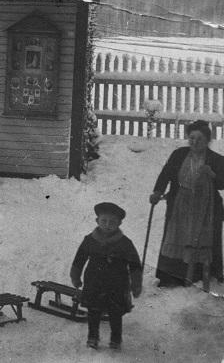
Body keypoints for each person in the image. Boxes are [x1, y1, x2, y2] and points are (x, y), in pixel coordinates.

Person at [149, 119, 224, 289]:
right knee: (177, 235)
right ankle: (170, 278)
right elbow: (166, 173)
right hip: (180, 204)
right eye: (191, 138)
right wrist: (157, 192)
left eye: (199, 139)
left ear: (208, 140)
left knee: (202, 240)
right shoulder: (179, 154)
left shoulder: (217, 160)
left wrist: (212, 174)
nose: (195, 142)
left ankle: (201, 277)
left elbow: (222, 183)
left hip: (206, 208)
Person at [70, 202, 142, 351]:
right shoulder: (89, 240)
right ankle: (93, 337)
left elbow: (135, 265)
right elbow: (79, 260)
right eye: (104, 221)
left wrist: (136, 285)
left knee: (116, 313)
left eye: (112, 222)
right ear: (97, 221)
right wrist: (75, 277)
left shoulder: (125, 243)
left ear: (119, 223)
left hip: (117, 284)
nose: (108, 225)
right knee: (93, 311)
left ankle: (116, 339)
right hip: (94, 282)